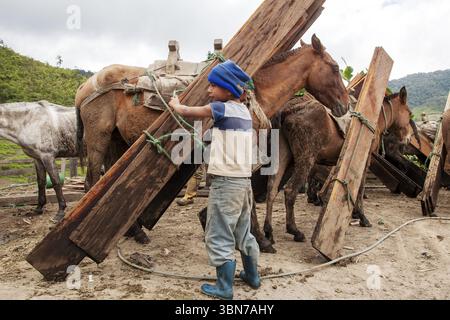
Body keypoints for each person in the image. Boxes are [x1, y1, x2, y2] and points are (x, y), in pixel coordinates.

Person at [169, 60, 261, 300]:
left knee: (219, 232)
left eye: (213, 86)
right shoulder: (245, 112)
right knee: (243, 231)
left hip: (225, 183)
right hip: (244, 183)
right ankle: (252, 276)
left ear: (228, 90)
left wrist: (176, 104)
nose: (209, 91)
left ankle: (224, 287)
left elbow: (190, 113)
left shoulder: (221, 109)